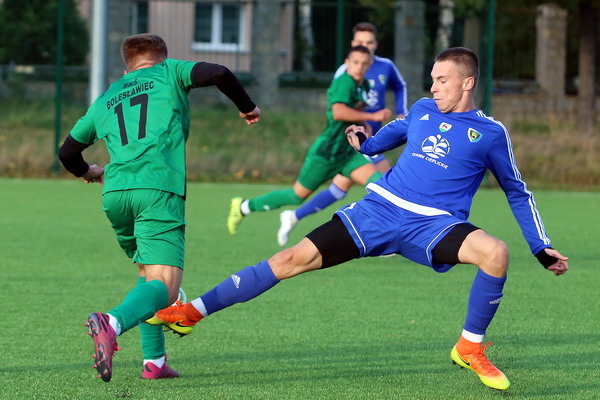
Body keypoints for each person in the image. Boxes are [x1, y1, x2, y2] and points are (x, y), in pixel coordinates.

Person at [147, 47, 569, 391]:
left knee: (496, 253)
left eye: (442, 80)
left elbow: (518, 190)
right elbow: (379, 142)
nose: (433, 87)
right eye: (433, 79)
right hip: (377, 211)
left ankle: (469, 347)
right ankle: (192, 312)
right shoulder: (422, 110)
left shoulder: (491, 133)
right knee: (289, 259)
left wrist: (540, 246)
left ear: (467, 82)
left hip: (434, 225)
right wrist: (362, 142)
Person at [58, 33, 260, 382]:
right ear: (162, 57)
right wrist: (247, 106)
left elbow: (67, 153)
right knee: (165, 287)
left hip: (116, 195)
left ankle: (154, 362)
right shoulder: (169, 72)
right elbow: (219, 72)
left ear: (127, 68)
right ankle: (111, 322)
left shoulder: (107, 97)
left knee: (149, 275)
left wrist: (89, 172)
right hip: (157, 189)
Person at [226, 45, 392, 236]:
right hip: (326, 153)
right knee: (296, 196)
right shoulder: (344, 82)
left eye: (364, 63)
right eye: (355, 62)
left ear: (370, 65)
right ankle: (243, 207)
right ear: (347, 63)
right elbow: (338, 112)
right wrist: (372, 116)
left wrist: (365, 125)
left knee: (379, 186)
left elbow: (355, 112)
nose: (359, 67)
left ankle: (384, 233)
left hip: (347, 154)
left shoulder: (364, 86)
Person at [277, 22, 407, 246]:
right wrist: (368, 119)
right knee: (387, 185)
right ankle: (387, 236)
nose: (365, 46)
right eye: (361, 42)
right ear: (353, 44)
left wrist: (401, 112)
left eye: (369, 42)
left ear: (375, 44)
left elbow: (400, 86)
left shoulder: (385, 66)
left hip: (374, 139)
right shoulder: (345, 72)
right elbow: (338, 108)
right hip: (357, 142)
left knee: (340, 188)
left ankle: (293, 216)